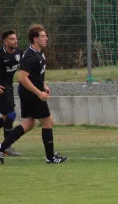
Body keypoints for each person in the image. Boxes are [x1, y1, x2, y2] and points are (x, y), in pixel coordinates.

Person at [0, 25, 68, 164]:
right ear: (35, 39)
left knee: (28, 124)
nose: (46, 38)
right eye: (43, 36)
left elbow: (36, 74)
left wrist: (44, 84)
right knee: (48, 122)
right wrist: (39, 93)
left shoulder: (39, 52)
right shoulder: (30, 56)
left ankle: (1, 148)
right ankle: (50, 158)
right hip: (31, 94)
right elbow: (22, 78)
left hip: (32, 92)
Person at [0, 30, 23, 156]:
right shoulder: (1, 54)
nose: (15, 41)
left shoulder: (19, 53)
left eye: (15, 38)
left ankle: (5, 147)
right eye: (11, 39)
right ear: (5, 41)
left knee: (6, 117)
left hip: (9, 87)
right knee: (10, 115)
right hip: (1, 88)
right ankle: (6, 147)